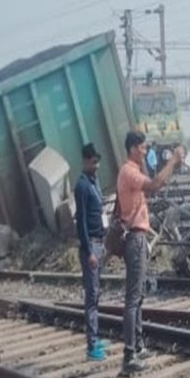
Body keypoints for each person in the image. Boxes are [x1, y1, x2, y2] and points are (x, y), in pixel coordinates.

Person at [117, 131, 185, 374]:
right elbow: (155, 185)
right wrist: (174, 160)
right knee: (133, 297)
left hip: (138, 236)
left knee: (139, 295)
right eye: (143, 148)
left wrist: (146, 161)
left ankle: (138, 344)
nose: (146, 151)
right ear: (133, 148)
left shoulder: (133, 170)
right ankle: (128, 356)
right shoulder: (128, 172)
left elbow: (150, 182)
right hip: (134, 237)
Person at [74, 143, 108, 361]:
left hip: (100, 243)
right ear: (85, 161)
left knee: (96, 294)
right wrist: (89, 252)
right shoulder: (82, 186)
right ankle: (92, 344)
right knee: (92, 296)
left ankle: (95, 337)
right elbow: (81, 223)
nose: (97, 166)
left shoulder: (94, 182)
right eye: (93, 162)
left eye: (98, 162)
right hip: (91, 247)